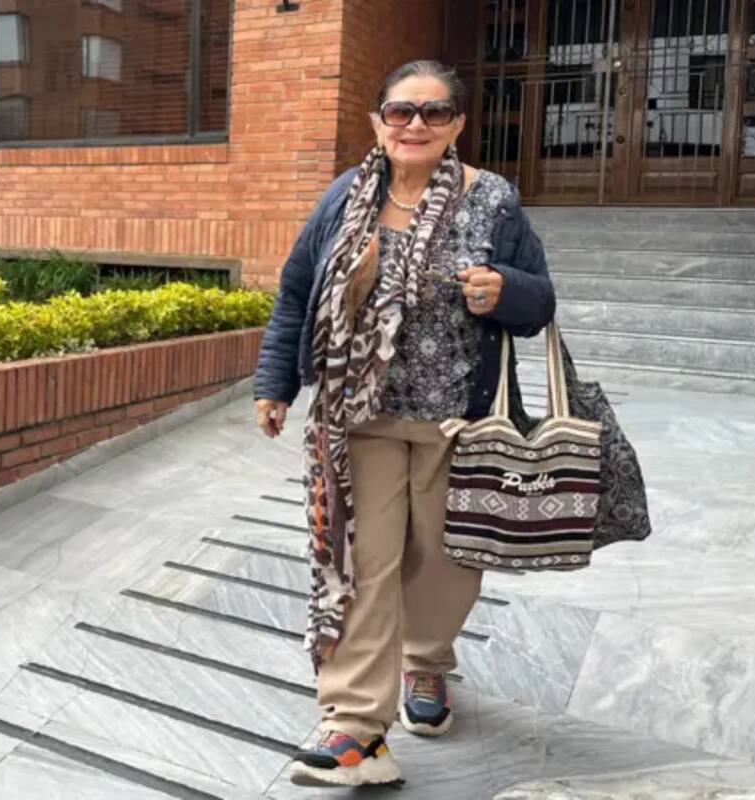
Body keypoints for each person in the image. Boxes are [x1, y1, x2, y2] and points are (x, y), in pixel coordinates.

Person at [252, 59, 556, 788]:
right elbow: (297, 291)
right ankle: (356, 728)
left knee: (445, 566)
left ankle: (426, 663)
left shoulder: (495, 203)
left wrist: (501, 291)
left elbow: (541, 301)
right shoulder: (345, 197)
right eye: (400, 111)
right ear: (377, 123)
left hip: (460, 421)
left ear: (456, 125)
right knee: (361, 565)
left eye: (433, 111)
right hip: (361, 417)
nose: (414, 124)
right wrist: (275, 384)